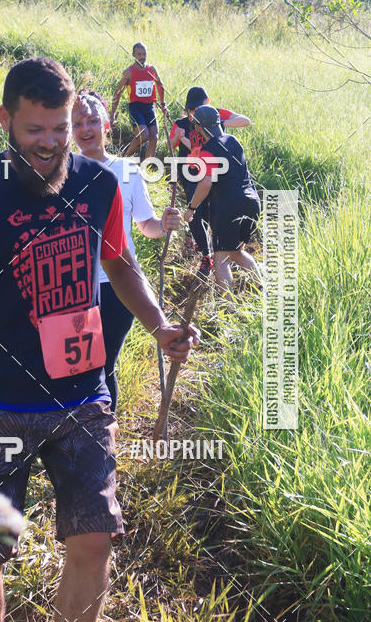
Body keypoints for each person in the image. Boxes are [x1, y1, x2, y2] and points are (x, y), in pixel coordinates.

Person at [0, 57, 198, 622]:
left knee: (94, 536)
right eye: (35, 129)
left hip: (83, 395)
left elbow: (120, 267)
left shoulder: (99, 184)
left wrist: (160, 324)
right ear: (6, 120)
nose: (50, 143)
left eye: (60, 128)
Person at [72, 89, 182, 412]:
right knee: (74, 371)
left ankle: (104, 438)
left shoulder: (127, 172)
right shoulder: (61, 174)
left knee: (102, 367)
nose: (86, 129)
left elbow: (146, 226)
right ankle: (74, 441)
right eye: (78, 123)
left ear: (107, 125)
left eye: (93, 121)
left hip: (117, 289)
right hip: (72, 289)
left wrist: (163, 224)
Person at [169, 86, 251, 276]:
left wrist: (220, 121)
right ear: (187, 109)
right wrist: (177, 137)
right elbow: (170, 145)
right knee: (195, 215)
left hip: (216, 173)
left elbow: (245, 121)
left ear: (207, 103)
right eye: (191, 110)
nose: (195, 113)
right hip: (192, 173)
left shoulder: (214, 115)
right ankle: (207, 256)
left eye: (198, 109)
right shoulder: (182, 123)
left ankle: (230, 252)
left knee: (214, 213)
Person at [183, 105, 261, 297]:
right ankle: (263, 287)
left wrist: (191, 208)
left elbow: (205, 183)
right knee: (235, 252)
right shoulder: (233, 140)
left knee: (220, 259)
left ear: (199, 128)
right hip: (252, 202)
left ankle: (228, 308)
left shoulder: (208, 150)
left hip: (229, 208)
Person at [110, 42, 165, 158]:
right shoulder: (128, 72)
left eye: (144, 54)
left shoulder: (152, 69)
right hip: (136, 107)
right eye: (139, 54)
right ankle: (124, 157)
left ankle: (148, 167)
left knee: (154, 137)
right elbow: (118, 93)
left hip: (150, 107)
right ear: (133, 55)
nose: (142, 57)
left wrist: (163, 104)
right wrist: (112, 113)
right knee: (143, 135)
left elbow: (160, 85)